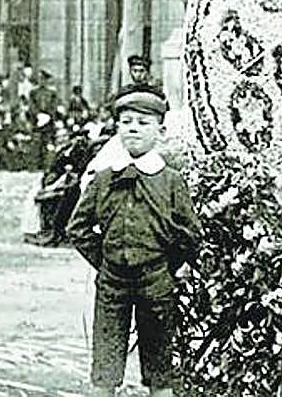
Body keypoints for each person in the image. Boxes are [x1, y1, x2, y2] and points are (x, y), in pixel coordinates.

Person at [66, 87, 202, 397]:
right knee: (106, 366)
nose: (133, 129)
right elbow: (78, 227)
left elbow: (190, 234)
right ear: (117, 129)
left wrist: (167, 266)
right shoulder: (104, 179)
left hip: (156, 283)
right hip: (112, 284)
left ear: (160, 130)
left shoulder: (170, 181)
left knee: (159, 369)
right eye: (126, 122)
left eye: (143, 123)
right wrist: (104, 260)